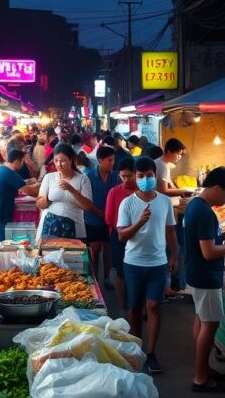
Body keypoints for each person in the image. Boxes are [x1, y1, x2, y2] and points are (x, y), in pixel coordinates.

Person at [183, 167, 225, 393]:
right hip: (206, 275)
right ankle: (200, 378)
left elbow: (207, 239)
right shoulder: (204, 212)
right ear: (215, 188)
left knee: (201, 321)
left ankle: (203, 368)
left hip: (196, 272)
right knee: (209, 325)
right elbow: (209, 252)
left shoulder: (196, 205)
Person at [117, 157, 179, 375]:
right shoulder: (128, 203)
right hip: (133, 263)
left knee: (153, 306)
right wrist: (139, 222)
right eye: (141, 176)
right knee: (134, 308)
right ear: (135, 177)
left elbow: (170, 229)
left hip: (158, 263)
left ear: (155, 175)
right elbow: (122, 235)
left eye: (149, 176)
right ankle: (136, 347)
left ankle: (151, 353)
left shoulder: (164, 201)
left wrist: (174, 256)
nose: (145, 180)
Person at [156, 138, 194, 295]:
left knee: (171, 248)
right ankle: (174, 285)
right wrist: (184, 191)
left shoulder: (159, 163)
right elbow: (163, 189)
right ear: (170, 151)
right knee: (174, 248)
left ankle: (171, 284)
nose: (179, 157)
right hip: (166, 210)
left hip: (163, 209)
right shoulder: (163, 166)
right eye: (178, 154)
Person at [37, 143, 96, 239]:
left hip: (74, 225)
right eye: (56, 161)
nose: (59, 164)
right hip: (50, 225)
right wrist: (46, 199)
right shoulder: (49, 177)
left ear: (71, 160)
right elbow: (40, 204)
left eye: (63, 161)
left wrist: (72, 190)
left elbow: (87, 206)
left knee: (72, 253)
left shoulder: (82, 179)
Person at [85, 146, 120, 288]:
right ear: (100, 160)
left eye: (113, 160)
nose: (112, 163)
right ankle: (94, 280)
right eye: (109, 160)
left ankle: (106, 278)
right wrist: (99, 213)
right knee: (95, 249)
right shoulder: (88, 176)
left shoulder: (115, 177)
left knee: (108, 249)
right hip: (92, 218)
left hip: (110, 219)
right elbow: (86, 200)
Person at [106, 156, 138, 308]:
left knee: (138, 271)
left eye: (129, 176)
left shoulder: (142, 192)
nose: (125, 180)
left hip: (140, 238)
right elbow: (108, 218)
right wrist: (124, 228)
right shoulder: (114, 192)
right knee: (120, 272)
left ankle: (139, 305)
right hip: (119, 237)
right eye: (122, 176)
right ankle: (124, 305)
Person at [0, 150, 40, 241]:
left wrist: (36, 184)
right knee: (2, 244)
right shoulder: (9, 173)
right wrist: (42, 189)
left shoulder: (2, 169)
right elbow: (29, 191)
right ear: (16, 161)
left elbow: (22, 184)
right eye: (22, 162)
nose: (23, 164)